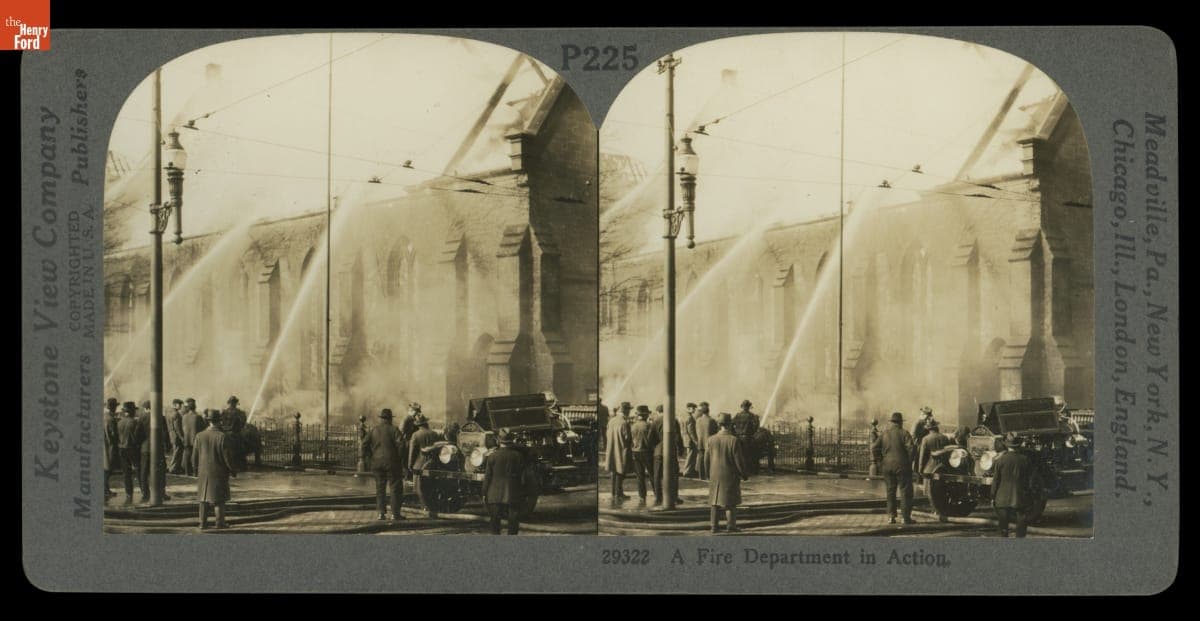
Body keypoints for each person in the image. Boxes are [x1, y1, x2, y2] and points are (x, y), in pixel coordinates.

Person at [193, 409, 237, 530]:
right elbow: (227, 458)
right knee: (219, 498)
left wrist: (196, 470)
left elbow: (194, 457)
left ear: (208, 421)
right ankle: (220, 523)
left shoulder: (199, 436)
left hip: (203, 472)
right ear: (219, 421)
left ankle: (202, 523)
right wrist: (233, 470)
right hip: (218, 472)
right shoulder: (222, 436)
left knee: (203, 498)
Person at [706, 413, 748, 533]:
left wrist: (707, 473)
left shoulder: (711, 439)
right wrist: (744, 474)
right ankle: (731, 526)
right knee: (730, 502)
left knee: (714, 501)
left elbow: (706, 459)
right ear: (730, 424)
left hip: (714, 474)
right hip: (730, 474)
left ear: (719, 424)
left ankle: (714, 526)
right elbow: (738, 461)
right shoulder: (733, 440)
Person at [872, 411, 916, 524]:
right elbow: (911, 448)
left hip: (887, 466)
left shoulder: (884, 434)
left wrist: (880, 461)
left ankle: (891, 517)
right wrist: (908, 461)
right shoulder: (904, 433)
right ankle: (905, 517)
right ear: (901, 422)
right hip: (902, 466)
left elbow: (874, 448)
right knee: (905, 491)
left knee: (890, 491)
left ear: (892, 422)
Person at [362, 408, 406, 521]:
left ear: (381, 418)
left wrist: (370, 457)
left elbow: (364, 445)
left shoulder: (374, 430)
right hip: (392, 463)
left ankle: (381, 513)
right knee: (395, 487)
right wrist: (400, 459)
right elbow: (401, 446)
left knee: (380, 488)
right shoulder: (394, 430)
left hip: (377, 463)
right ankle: (395, 514)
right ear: (390, 418)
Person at [992, 433, 1036, 538]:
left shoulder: (1000, 460)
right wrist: (1029, 496)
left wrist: (992, 496)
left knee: (1003, 528)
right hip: (1020, 497)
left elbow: (996, 481)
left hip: (1001, 499)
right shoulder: (1025, 460)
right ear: (1019, 445)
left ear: (1007, 445)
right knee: (1021, 524)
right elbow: (1031, 481)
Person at [483, 428, 527, 535]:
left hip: (494, 495)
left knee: (494, 525)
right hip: (513, 495)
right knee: (513, 525)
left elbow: (487, 477)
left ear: (498, 440)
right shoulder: (518, 456)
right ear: (511, 440)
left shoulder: (492, 456)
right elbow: (523, 478)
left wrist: (484, 493)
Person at [917, 420, 953, 522]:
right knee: (941, 490)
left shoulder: (926, 439)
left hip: (930, 468)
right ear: (936, 427)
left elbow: (922, 456)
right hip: (943, 468)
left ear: (929, 429)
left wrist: (920, 469)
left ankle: (935, 510)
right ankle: (941, 510)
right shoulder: (944, 437)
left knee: (930, 491)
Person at [136, 400, 171, 503]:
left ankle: (145, 493)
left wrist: (139, 445)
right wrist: (167, 446)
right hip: (158, 448)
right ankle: (161, 492)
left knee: (144, 472)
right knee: (160, 471)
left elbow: (138, 434)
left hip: (145, 448)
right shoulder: (161, 417)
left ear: (146, 408)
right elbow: (165, 434)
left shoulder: (142, 418)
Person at [407, 412, 441, 517]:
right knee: (432, 486)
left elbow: (412, 452)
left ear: (418, 425)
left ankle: (425, 507)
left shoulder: (415, 435)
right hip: (433, 463)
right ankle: (432, 506)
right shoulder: (434, 434)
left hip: (420, 464)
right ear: (426, 423)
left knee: (419, 487)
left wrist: (410, 464)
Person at [651, 405, 685, 506]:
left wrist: (656, 447)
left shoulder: (655, 421)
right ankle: (674, 496)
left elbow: (651, 438)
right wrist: (680, 450)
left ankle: (658, 497)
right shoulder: (673, 420)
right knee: (674, 474)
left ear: (658, 412)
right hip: (671, 451)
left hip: (659, 451)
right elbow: (678, 437)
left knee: (657, 475)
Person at [605, 402, 633, 505]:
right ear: (626, 410)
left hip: (612, 450)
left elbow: (607, 435)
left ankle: (614, 493)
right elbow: (628, 438)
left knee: (614, 471)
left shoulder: (611, 421)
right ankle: (618, 494)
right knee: (621, 472)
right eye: (629, 410)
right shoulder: (624, 422)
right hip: (621, 450)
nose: (629, 412)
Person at [629, 405, 655, 506]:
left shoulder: (633, 426)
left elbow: (631, 440)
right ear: (646, 415)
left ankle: (642, 496)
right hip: (647, 451)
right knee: (652, 474)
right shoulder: (648, 426)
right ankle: (657, 494)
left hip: (636, 452)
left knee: (640, 476)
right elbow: (651, 440)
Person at [116, 401, 140, 505]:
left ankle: (129, 494)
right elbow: (138, 437)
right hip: (132, 449)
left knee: (126, 474)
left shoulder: (119, 422)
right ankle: (144, 491)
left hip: (122, 449)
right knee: (139, 470)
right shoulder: (134, 422)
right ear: (132, 411)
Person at [733, 400, 760, 475]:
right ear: (749, 407)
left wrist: (735, 433)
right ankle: (749, 471)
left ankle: (740, 471)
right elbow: (756, 427)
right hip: (748, 438)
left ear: (742, 406)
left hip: (738, 438)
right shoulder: (752, 416)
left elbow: (731, 425)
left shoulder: (737, 415)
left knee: (740, 455)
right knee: (749, 455)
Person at [222, 396, 248, 471]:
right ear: (236, 403)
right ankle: (240, 467)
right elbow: (243, 423)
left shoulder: (224, 412)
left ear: (229, 403)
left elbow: (222, 423)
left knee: (228, 452)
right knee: (240, 451)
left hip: (226, 435)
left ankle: (229, 467)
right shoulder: (240, 413)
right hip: (236, 435)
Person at [181, 399, 204, 477]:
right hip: (195, 439)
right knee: (195, 455)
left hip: (186, 439)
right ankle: (195, 472)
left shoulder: (184, 417)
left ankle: (187, 472)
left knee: (187, 455)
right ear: (195, 408)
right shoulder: (198, 417)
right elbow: (202, 428)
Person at [103, 398, 120, 500]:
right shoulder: (110, 419)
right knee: (107, 469)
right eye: (115, 406)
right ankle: (105, 491)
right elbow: (114, 435)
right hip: (109, 447)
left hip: (103, 445)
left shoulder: (103, 417)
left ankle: (106, 489)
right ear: (113, 407)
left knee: (105, 469)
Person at [695, 402, 718, 480]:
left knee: (700, 458)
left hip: (700, 442)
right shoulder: (712, 420)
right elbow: (715, 432)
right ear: (708, 411)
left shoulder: (698, 420)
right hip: (709, 442)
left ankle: (701, 475)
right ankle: (707, 475)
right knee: (708, 459)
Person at [167, 399, 186, 474]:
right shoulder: (176, 414)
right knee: (177, 452)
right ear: (175, 404)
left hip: (171, 435)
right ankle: (173, 468)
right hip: (176, 436)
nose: (181, 406)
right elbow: (178, 428)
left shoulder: (169, 413)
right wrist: (182, 437)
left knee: (175, 451)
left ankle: (174, 467)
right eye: (179, 404)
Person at [681, 403, 700, 478]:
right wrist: (696, 441)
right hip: (690, 440)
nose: (694, 410)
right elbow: (691, 431)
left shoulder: (683, 417)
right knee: (691, 456)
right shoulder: (690, 418)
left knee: (689, 455)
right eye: (693, 408)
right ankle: (687, 471)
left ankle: (688, 470)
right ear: (688, 408)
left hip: (685, 439)